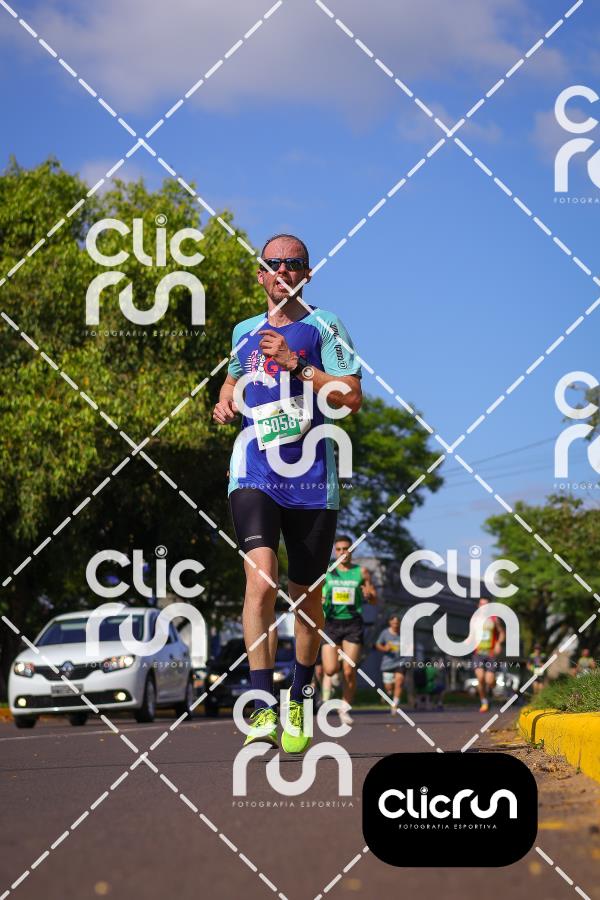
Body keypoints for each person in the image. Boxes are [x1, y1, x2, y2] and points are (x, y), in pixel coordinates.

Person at [212, 233, 362, 753]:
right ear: (260, 274)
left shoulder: (325, 325)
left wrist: (299, 365)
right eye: (273, 264)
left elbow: (352, 397)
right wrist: (224, 401)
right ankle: (260, 702)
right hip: (254, 469)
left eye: (293, 263)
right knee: (260, 579)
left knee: (305, 596)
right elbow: (231, 380)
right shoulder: (244, 331)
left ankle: (298, 694)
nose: (283, 271)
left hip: (311, 476)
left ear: (307, 273)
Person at [320, 536, 377, 724]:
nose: (342, 553)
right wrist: (320, 599)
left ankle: (344, 707)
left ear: (351, 550)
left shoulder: (361, 572)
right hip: (331, 623)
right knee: (330, 670)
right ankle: (334, 671)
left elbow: (374, 598)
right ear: (335, 552)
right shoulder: (328, 572)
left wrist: (369, 595)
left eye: (346, 549)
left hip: (353, 623)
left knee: (349, 670)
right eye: (339, 549)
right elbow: (316, 594)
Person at [471, 597, 505, 713]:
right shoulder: (475, 619)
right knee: (480, 678)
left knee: (489, 681)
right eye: (481, 604)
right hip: (478, 653)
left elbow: (501, 633)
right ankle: (484, 701)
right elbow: (472, 634)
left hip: (491, 654)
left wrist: (499, 643)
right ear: (478, 606)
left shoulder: (494, 618)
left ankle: (491, 688)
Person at [375, 614, 408, 714]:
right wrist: (384, 648)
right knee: (388, 687)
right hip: (388, 663)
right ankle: (388, 692)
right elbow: (378, 644)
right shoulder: (385, 633)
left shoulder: (404, 633)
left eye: (397, 623)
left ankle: (394, 705)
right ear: (390, 623)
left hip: (401, 661)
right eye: (394, 623)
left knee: (399, 681)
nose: (395, 625)